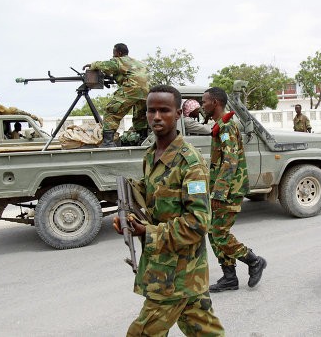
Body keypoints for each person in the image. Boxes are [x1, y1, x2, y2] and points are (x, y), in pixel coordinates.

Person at [113, 85, 225, 336]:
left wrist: (149, 232)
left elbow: (198, 222)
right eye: (151, 110)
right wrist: (129, 218)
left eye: (164, 110)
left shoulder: (190, 162)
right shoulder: (151, 154)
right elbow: (152, 201)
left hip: (177, 273)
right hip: (175, 271)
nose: (156, 116)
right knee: (203, 330)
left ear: (177, 114)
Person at [202, 86, 267, 292]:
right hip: (221, 189)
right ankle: (229, 276)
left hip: (229, 190)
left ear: (216, 103)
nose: (203, 105)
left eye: (205, 101)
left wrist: (219, 192)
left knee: (219, 233)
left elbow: (230, 162)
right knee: (213, 233)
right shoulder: (220, 126)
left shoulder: (227, 127)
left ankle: (254, 260)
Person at [83, 43, 150, 147]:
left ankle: (108, 143)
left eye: (114, 54)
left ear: (119, 53)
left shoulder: (119, 60)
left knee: (111, 111)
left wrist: (92, 65)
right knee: (140, 116)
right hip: (146, 92)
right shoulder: (139, 63)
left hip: (132, 89)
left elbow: (105, 65)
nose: (113, 56)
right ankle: (142, 139)